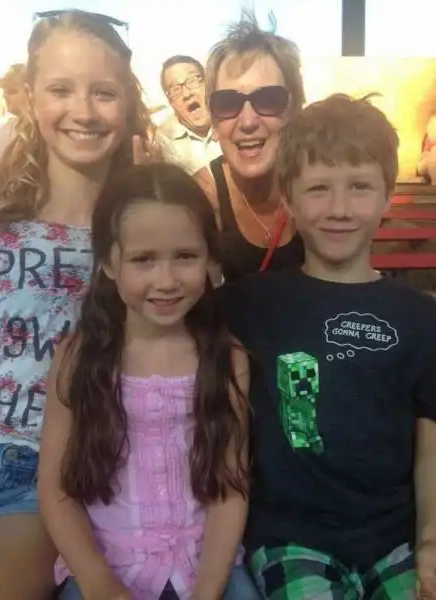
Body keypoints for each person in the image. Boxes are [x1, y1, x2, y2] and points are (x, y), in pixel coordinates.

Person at [218, 94, 436, 599]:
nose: (339, 209)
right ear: (289, 200)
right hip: (290, 539)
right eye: (318, 188)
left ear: (388, 197)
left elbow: (430, 445)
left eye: (360, 187)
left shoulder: (421, 317)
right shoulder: (247, 305)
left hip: (396, 540)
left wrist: (429, 540)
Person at [0, 10, 151, 600]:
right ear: (31, 98)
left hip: (43, 472)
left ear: (127, 103)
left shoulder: (146, 241)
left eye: (103, 93)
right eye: (60, 89)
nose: (83, 111)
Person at [38, 163, 260, 600]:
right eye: (143, 259)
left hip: (204, 564)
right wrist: (99, 582)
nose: (167, 281)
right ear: (109, 262)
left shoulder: (227, 357)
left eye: (186, 256)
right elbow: (55, 490)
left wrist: (208, 589)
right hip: (107, 565)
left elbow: (230, 488)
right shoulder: (78, 359)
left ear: (210, 258)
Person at [194, 12, 305, 282]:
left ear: (295, 110)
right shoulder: (199, 201)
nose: (247, 122)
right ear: (214, 121)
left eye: (269, 99)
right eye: (227, 103)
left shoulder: (319, 186)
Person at [156, 55, 221, 176]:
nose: (186, 94)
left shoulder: (231, 118)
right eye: (175, 89)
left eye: (192, 81)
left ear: (208, 84)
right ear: (171, 102)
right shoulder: (165, 140)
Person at [0, 63, 27, 159]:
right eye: (4, 91)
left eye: (11, 90)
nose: (4, 96)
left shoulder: (47, 129)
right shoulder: (2, 131)